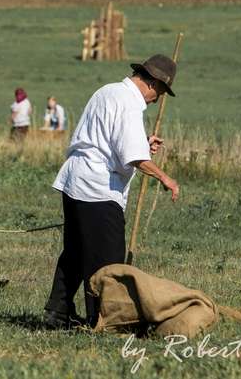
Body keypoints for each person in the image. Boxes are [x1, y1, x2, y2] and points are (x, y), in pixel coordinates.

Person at [44, 54, 181, 329]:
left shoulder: (108, 91)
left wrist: (142, 142)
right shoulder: (129, 104)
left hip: (76, 180)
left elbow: (108, 140)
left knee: (76, 251)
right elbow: (133, 156)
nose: (157, 100)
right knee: (107, 261)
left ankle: (58, 312)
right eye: (160, 93)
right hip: (98, 188)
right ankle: (103, 321)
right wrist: (166, 178)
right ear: (153, 83)